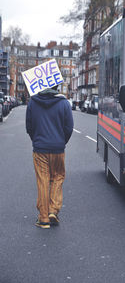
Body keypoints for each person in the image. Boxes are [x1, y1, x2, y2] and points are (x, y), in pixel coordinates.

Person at [26, 86, 73, 229]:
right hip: (58, 149)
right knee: (58, 177)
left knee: (43, 180)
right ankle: (53, 210)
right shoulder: (64, 103)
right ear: (56, 86)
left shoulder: (33, 102)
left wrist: (37, 140)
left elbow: (29, 126)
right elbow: (69, 127)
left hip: (40, 149)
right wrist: (61, 142)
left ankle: (44, 218)